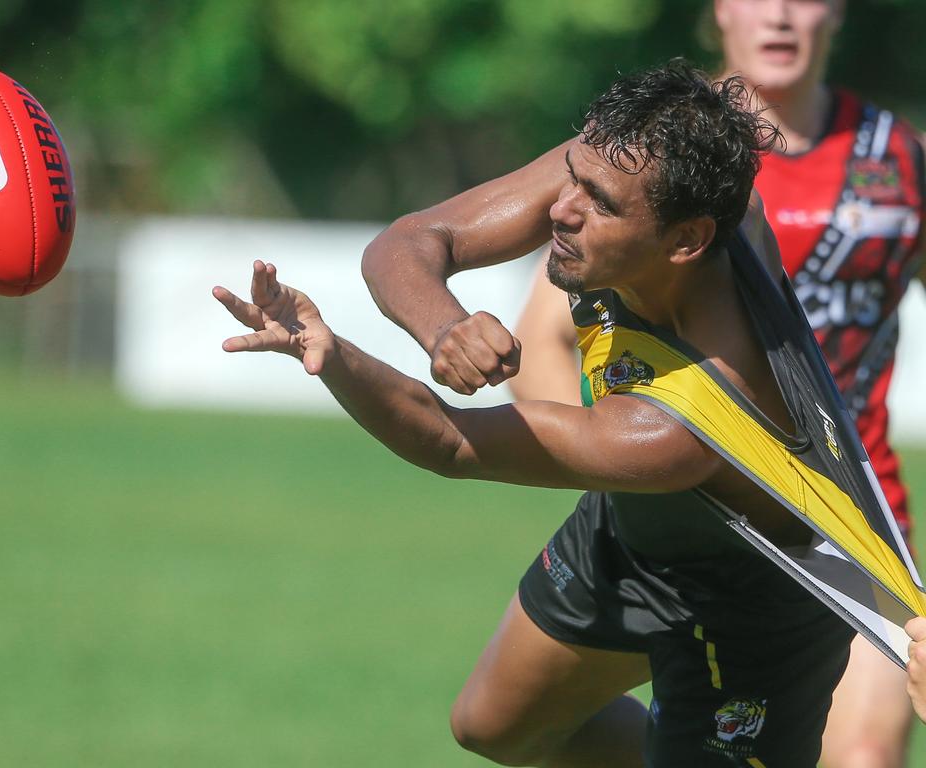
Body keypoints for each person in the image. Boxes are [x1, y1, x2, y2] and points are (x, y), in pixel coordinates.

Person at [215, 62, 879, 766]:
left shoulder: (683, 426)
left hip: (756, 604)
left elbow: (450, 441)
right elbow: (408, 242)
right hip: (632, 536)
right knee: (492, 726)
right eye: (573, 175)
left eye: (600, 203)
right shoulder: (626, 167)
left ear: (686, 240)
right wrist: (444, 327)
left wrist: (333, 357)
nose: (562, 209)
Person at [469, 3, 926, 766]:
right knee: (512, 729)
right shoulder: (664, 148)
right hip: (676, 525)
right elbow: (547, 333)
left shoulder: (899, 160)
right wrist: (609, 462)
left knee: (865, 757)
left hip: (842, 532)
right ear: (720, 9)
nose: (779, 14)